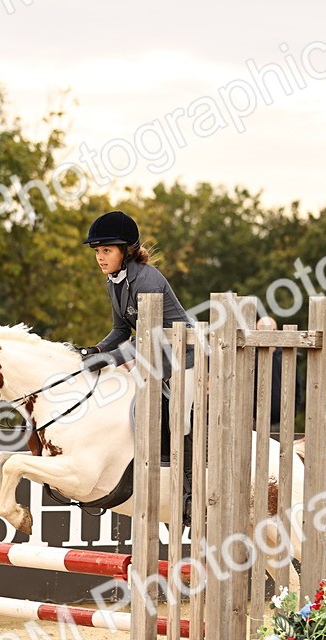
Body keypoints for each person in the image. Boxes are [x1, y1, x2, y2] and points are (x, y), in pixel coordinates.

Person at [76, 210, 196, 522]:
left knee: (180, 417)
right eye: (98, 252)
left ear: (125, 250)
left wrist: (107, 359)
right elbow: (121, 331)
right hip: (154, 360)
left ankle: (190, 495)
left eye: (107, 251)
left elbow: (148, 338)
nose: (100, 258)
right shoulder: (113, 282)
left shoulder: (147, 280)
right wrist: (97, 349)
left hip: (184, 360)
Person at [252, 317, 302, 432]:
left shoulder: (287, 356)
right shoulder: (250, 358)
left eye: (272, 331)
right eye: (262, 332)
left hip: (282, 423)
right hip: (255, 422)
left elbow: (297, 387)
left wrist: (291, 414)